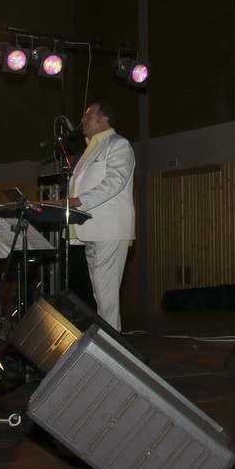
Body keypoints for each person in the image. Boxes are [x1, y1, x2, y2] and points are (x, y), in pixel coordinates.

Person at [65, 101, 135, 331]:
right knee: (101, 293)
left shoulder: (118, 144)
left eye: (88, 116)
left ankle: (111, 342)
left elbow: (115, 181)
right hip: (92, 228)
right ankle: (107, 339)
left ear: (105, 119)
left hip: (109, 229)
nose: (82, 121)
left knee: (106, 293)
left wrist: (78, 201)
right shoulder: (91, 149)